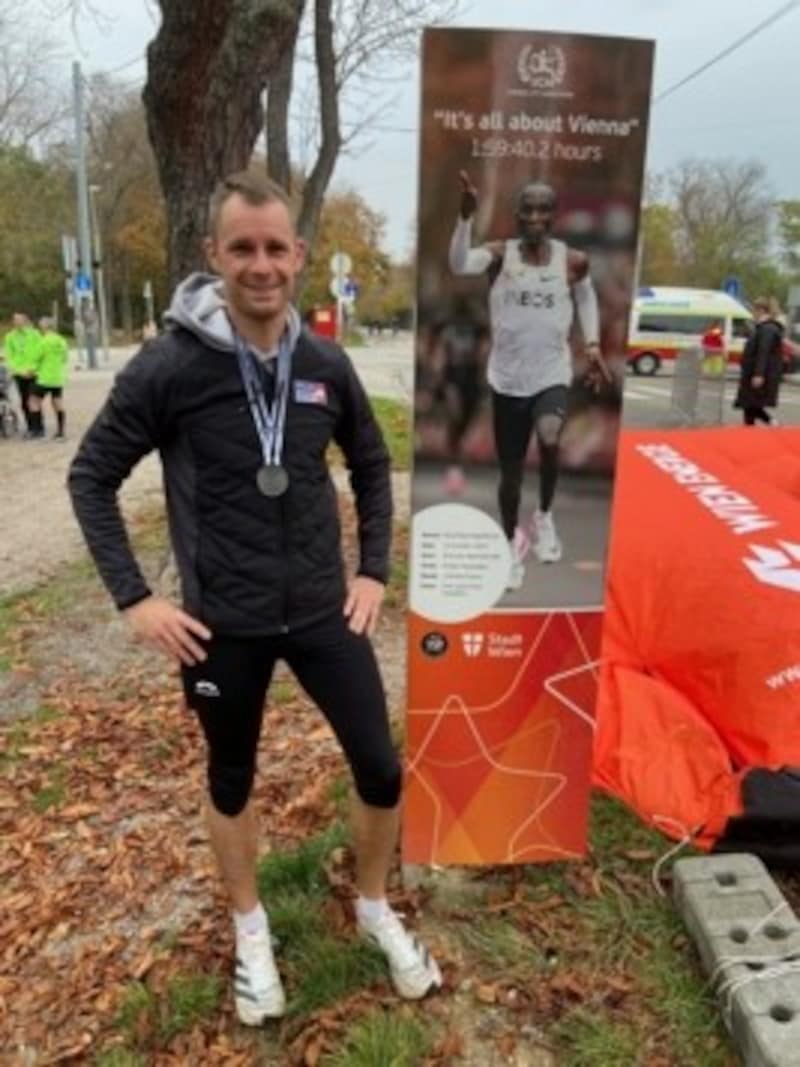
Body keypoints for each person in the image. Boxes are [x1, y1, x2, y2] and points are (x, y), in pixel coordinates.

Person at [68, 169, 441, 1026]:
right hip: (220, 624)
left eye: (276, 247)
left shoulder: (323, 362)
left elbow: (373, 465)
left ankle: (376, 905)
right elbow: (92, 477)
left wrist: (373, 570)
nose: (262, 264)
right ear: (215, 255)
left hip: (320, 609)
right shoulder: (169, 366)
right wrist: (136, 598)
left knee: (381, 767)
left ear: (299, 255)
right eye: (244, 248)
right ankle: (250, 928)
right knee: (232, 778)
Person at [448, 171, 610, 589]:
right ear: (516, 214)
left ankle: (545, 516)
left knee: (552, 436)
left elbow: (586, 295)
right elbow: (460, 264)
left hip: (552, 373)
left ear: (554, 216)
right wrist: (464, 220)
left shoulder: (572, 260)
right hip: (506, 379)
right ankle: (508, 545)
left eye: (543, 210)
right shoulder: (501, 255)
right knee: (511, 476)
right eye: (527, 209)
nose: (535, 216)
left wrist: (592, 345)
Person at [734, 296, 785, 426]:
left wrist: (759, 374)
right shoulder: (763, 328)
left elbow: (763, 351)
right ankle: (758, 429)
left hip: (759, 374)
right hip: (755, 373)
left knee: (751, 404)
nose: (753, 313)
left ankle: (772, 423)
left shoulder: (767, 329)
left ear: (761, 310)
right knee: (749, 406)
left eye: (754, 310)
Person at [29, 317, 69, 439]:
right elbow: (65, 358)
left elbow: (35, 359)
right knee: (58, 403)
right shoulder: (62, 341)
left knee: (33, 401)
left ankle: (36, 431)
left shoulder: (43, 342)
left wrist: (30, 371)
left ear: (44, 327)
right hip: (57, 378)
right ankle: (61, 432)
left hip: (44, 378)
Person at [4, 313, 41, 437]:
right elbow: (9, 356)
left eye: (20, 320)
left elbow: (41, 352)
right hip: (19, 373)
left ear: (25, 321)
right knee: (25, 401)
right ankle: (30, 427)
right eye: (15, 321)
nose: (17, 323)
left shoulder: (34, 334)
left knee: (34, 399)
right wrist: (19, 371)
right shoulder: (10, 337)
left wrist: (33, 369)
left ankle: (39, 427)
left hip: (34, 372)